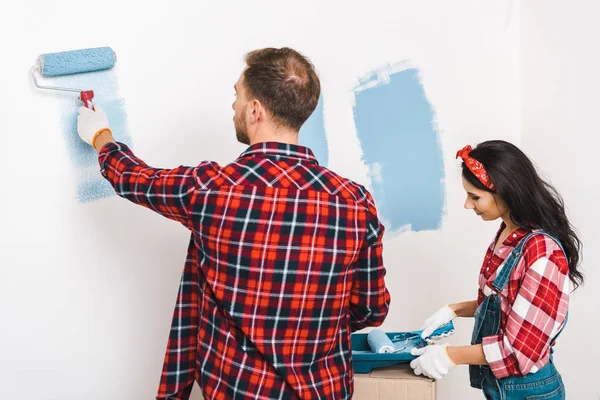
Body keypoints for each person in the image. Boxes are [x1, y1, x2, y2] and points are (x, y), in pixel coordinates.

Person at [76, 47, 391, 399]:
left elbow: (134, 178)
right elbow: (371, 308)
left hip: (242, 389)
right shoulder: (354, 201)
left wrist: (100, 135)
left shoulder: (213, 189)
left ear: (255, 110)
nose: (233, 106)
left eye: (237, 96)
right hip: (323, 390)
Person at [409, 141, 583, 399]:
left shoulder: (542, 254)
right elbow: (504, 302)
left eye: (475, 196)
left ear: (504, 192)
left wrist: (449, 355)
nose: (468, 205)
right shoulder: (509, 234)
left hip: (530, 392)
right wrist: (454, 310)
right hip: (503, 388)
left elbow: (519, 351)